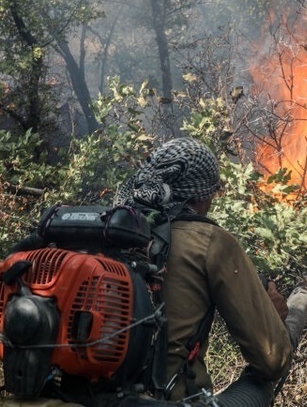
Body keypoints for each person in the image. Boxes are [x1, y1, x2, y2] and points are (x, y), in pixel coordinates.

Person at [112, 137, 292, 402]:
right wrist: (273, 318)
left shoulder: (108, 228)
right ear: (201, 195)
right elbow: (272, 360)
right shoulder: (208, 241)